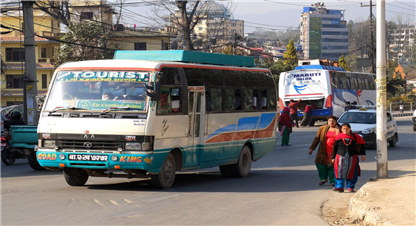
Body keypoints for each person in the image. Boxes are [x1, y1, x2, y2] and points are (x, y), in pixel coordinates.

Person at [332, 123, 366, 192]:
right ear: (341, 129)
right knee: (339, 171)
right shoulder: (338, 137)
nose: (345, 130)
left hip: (352, 157)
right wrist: (333, 157)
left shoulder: (355, 136)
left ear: (350, 129)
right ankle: (339, 186)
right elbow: (335, 148)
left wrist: (363, 154)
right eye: (343, 129)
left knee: (352, 172)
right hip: (340, 157)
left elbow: (362, 144)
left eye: (347, 129)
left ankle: (350, 186)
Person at [308, 115, 341, 186]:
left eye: (333, 121)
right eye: (330, 121)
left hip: (334, 151)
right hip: (323, 150)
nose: (331, 122)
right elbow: (317, 138)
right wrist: (311, 148)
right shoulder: (322, 128)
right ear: (327, 122)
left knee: (332, 165)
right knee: (319, 164)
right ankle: (324, 178)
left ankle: (332, 181)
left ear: (336, 122)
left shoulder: (340, 129)